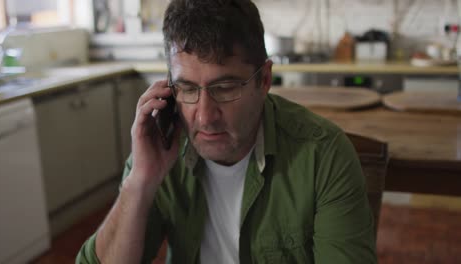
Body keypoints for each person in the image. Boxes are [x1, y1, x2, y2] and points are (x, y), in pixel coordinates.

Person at [76, 0, 377, 263]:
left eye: (226, 87)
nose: (205, 117)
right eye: (187, 88)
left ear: (264, 80)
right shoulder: (158, 149)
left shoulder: (323, 155)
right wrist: (139, 181)